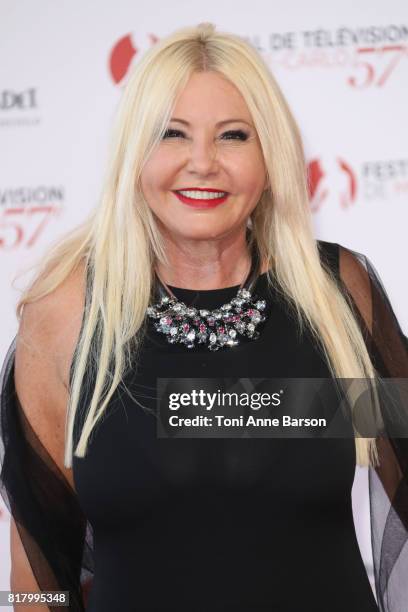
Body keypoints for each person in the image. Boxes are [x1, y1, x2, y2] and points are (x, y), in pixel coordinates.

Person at [0, 22, 407, 612]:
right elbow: (40, 562)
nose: (202, 163)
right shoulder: (66, 315)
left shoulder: (333, 296)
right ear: (133, 154)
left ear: (270, 156)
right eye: (171, 134)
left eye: (233, 136)